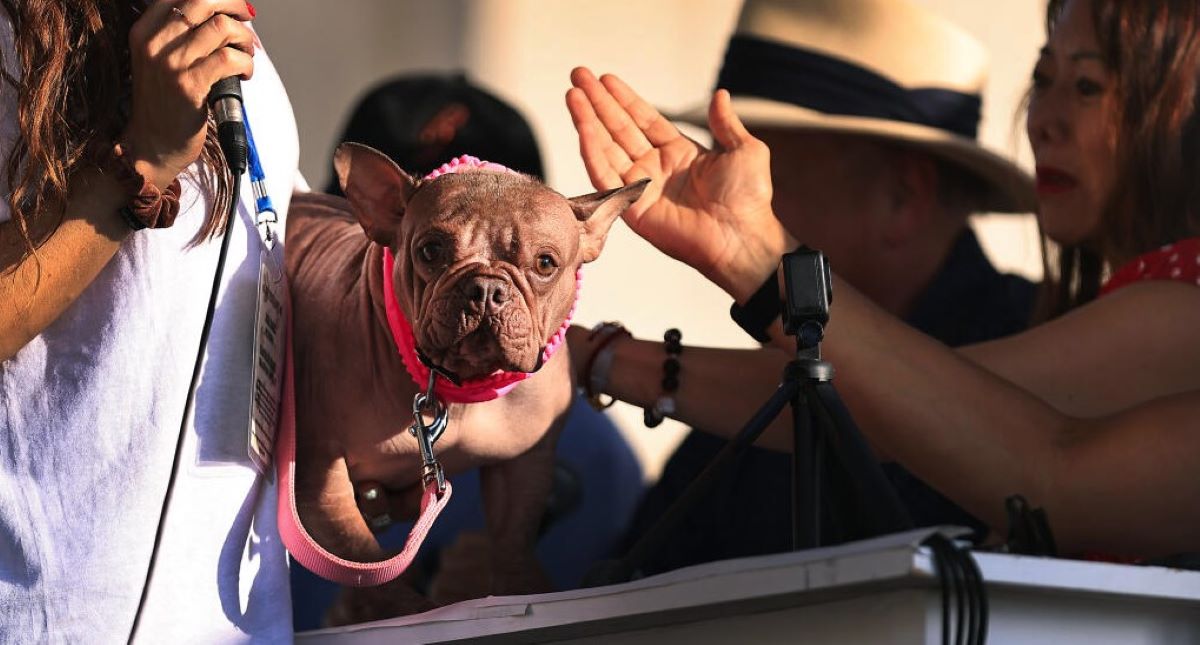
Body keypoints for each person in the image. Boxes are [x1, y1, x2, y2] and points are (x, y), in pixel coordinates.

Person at [567, 0, 1200, 561]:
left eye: (1087, 84)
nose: (1042, 120)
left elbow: (995, 444)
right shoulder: (1095, 313)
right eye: (1042, 79)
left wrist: (596, 356)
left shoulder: (1179, 306)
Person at [288, 73, 644, 630]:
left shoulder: (573, 443)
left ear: (585, 234)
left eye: (538, 262)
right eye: (437, 252)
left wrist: (506, 573)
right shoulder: (325, 324)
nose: (485, 291)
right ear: (375, 217)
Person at [0, 1, 302, 641]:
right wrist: (138, 161)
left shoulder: (232, 48)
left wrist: (517, 253)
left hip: (237, 621)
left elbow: (289, 252)